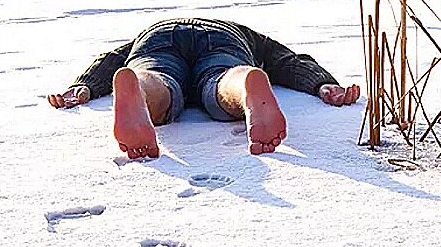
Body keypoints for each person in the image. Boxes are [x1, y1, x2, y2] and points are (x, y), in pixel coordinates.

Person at [47, 16, 360, 158]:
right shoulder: (242, 31)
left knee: (154, 73)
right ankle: (243, 84)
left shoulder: (150, 31)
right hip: (224, 36)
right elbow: (286, 60)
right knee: (221, 78)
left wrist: (84, 86)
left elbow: (112, 58)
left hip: (157, 36)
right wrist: (322, 84)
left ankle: (140, 90)